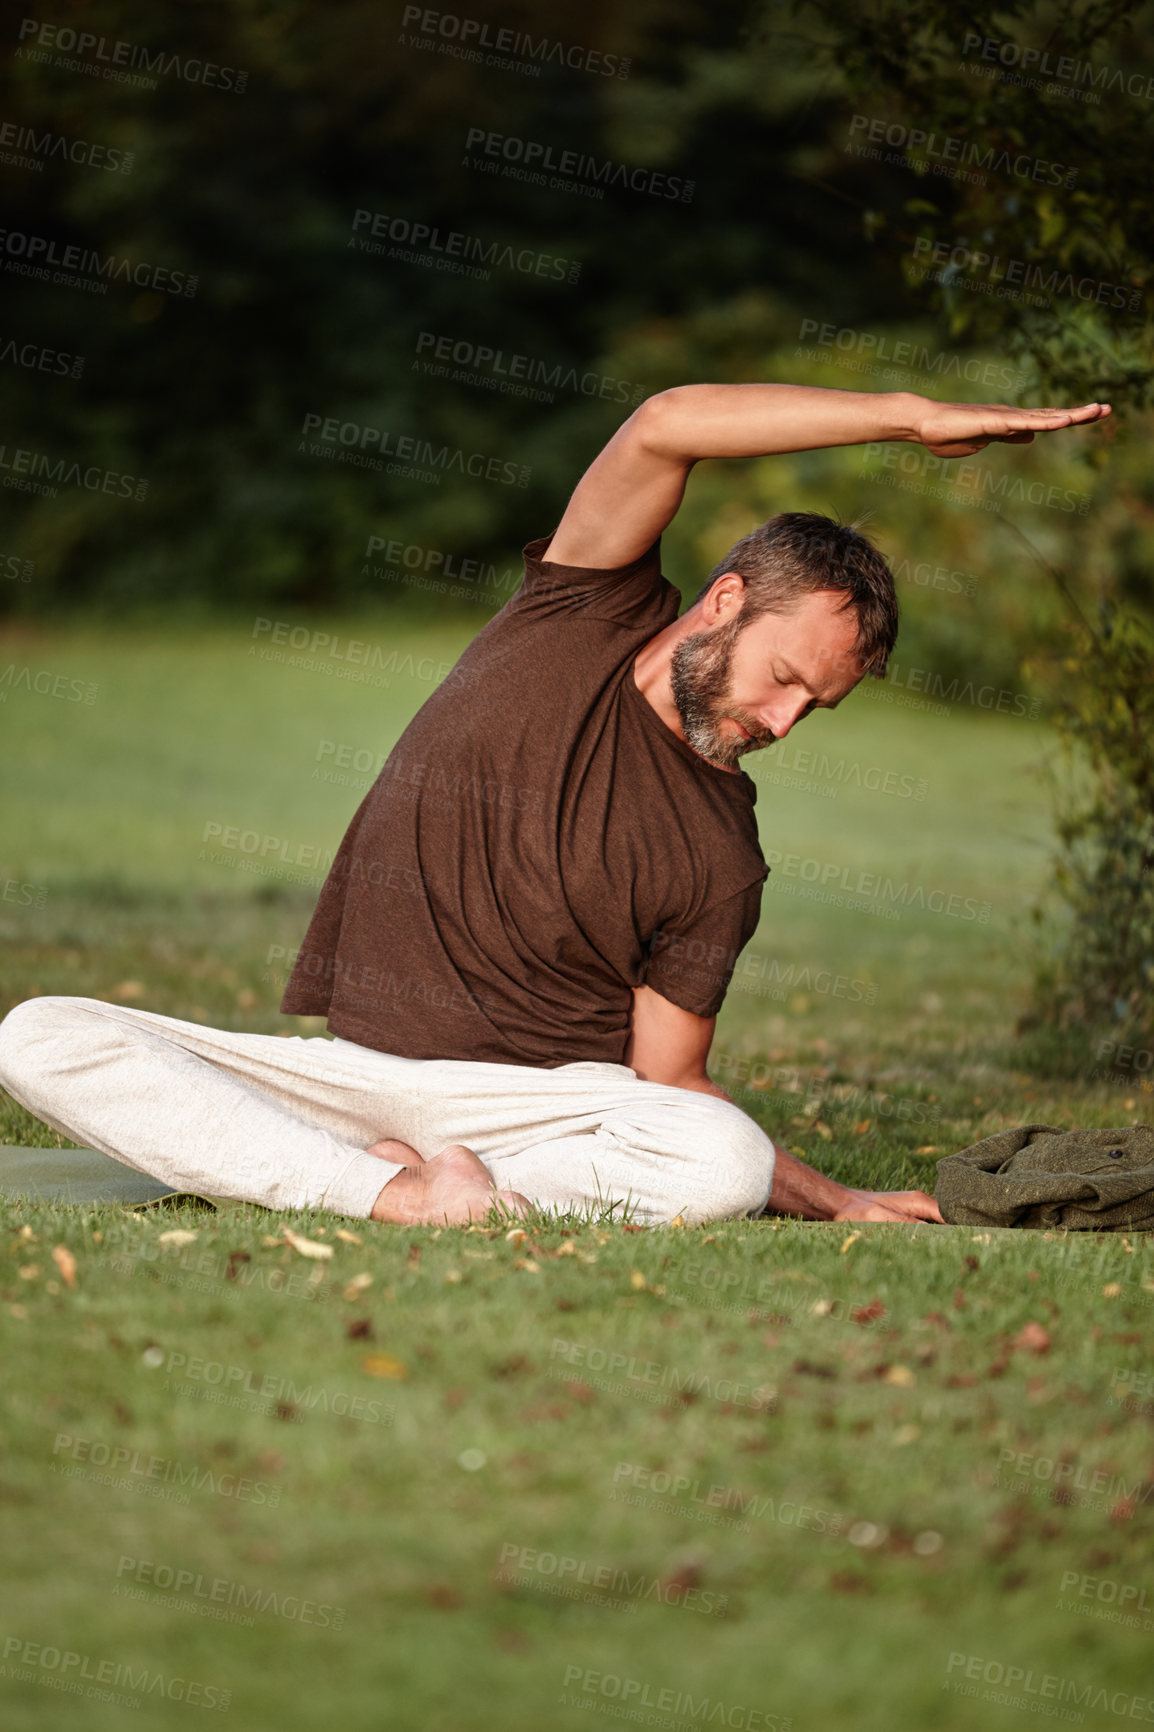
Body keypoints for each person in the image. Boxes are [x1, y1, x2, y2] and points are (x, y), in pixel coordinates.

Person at [0, 384, 1111, 1228]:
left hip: (540, 1108)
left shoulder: (723, 850)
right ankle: (392, 1189)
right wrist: (908, 417)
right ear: (725, 600)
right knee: (43, 1036)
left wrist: (835, 1199)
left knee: (714, 1158)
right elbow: (666, 420)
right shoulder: (578, 607)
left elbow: (668, 1078)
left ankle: (407, 1186)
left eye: (813, 708)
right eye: (781, 677)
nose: (781, 721)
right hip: (349, 1078)